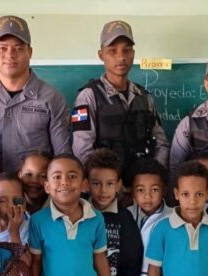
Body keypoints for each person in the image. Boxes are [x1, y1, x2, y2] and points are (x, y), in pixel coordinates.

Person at [28, 154, 119, 276]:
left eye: (72, 176)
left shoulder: (96, 219)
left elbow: (100, 259)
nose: (65, 182)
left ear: (84, 184)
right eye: (57, 177)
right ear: (47, 186)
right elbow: (35, 264)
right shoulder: (38, 221)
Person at [0, 15, 71, 173]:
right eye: (3, 48)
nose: (10, 55)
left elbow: (62, 157)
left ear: (29, 52)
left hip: (35, 191)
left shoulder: (52, 98)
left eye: (18, 48)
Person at [72, 20, 170, 184]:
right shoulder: (88, 97)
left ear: (133, 54)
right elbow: (81, 149)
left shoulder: (145, 98)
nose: (121, 57)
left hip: (142, 189)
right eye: (113, 51)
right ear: (101, 55)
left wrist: (151, 179)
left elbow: (161, 144)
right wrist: (106, 185)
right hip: (104, 191)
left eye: (127, 50)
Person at [84, 149, 144, 276]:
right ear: (86, 183)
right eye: (96, 183)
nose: (103, 190)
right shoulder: (80, 214)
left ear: (118, 185)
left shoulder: (124, 219)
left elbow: (132, 262)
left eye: (110, 184)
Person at [126, 158, 172, 276]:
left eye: (154, 189)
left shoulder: (173, 217)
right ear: (132, 192)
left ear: (164, 190)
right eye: (140, 190)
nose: (147, 196)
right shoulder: (126, 215)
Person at [0, 172, 28, 244]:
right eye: (2, 201)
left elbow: (24, 256)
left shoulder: (33, 229)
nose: (11, 205)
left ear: (24, 203)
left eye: (17, 200)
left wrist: (14, 233)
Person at [18, 150, 52, 215]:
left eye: (43, 176)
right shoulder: (11, 202)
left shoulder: (58, 205)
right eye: (28, 174)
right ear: (19, 175)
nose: (34, 181)